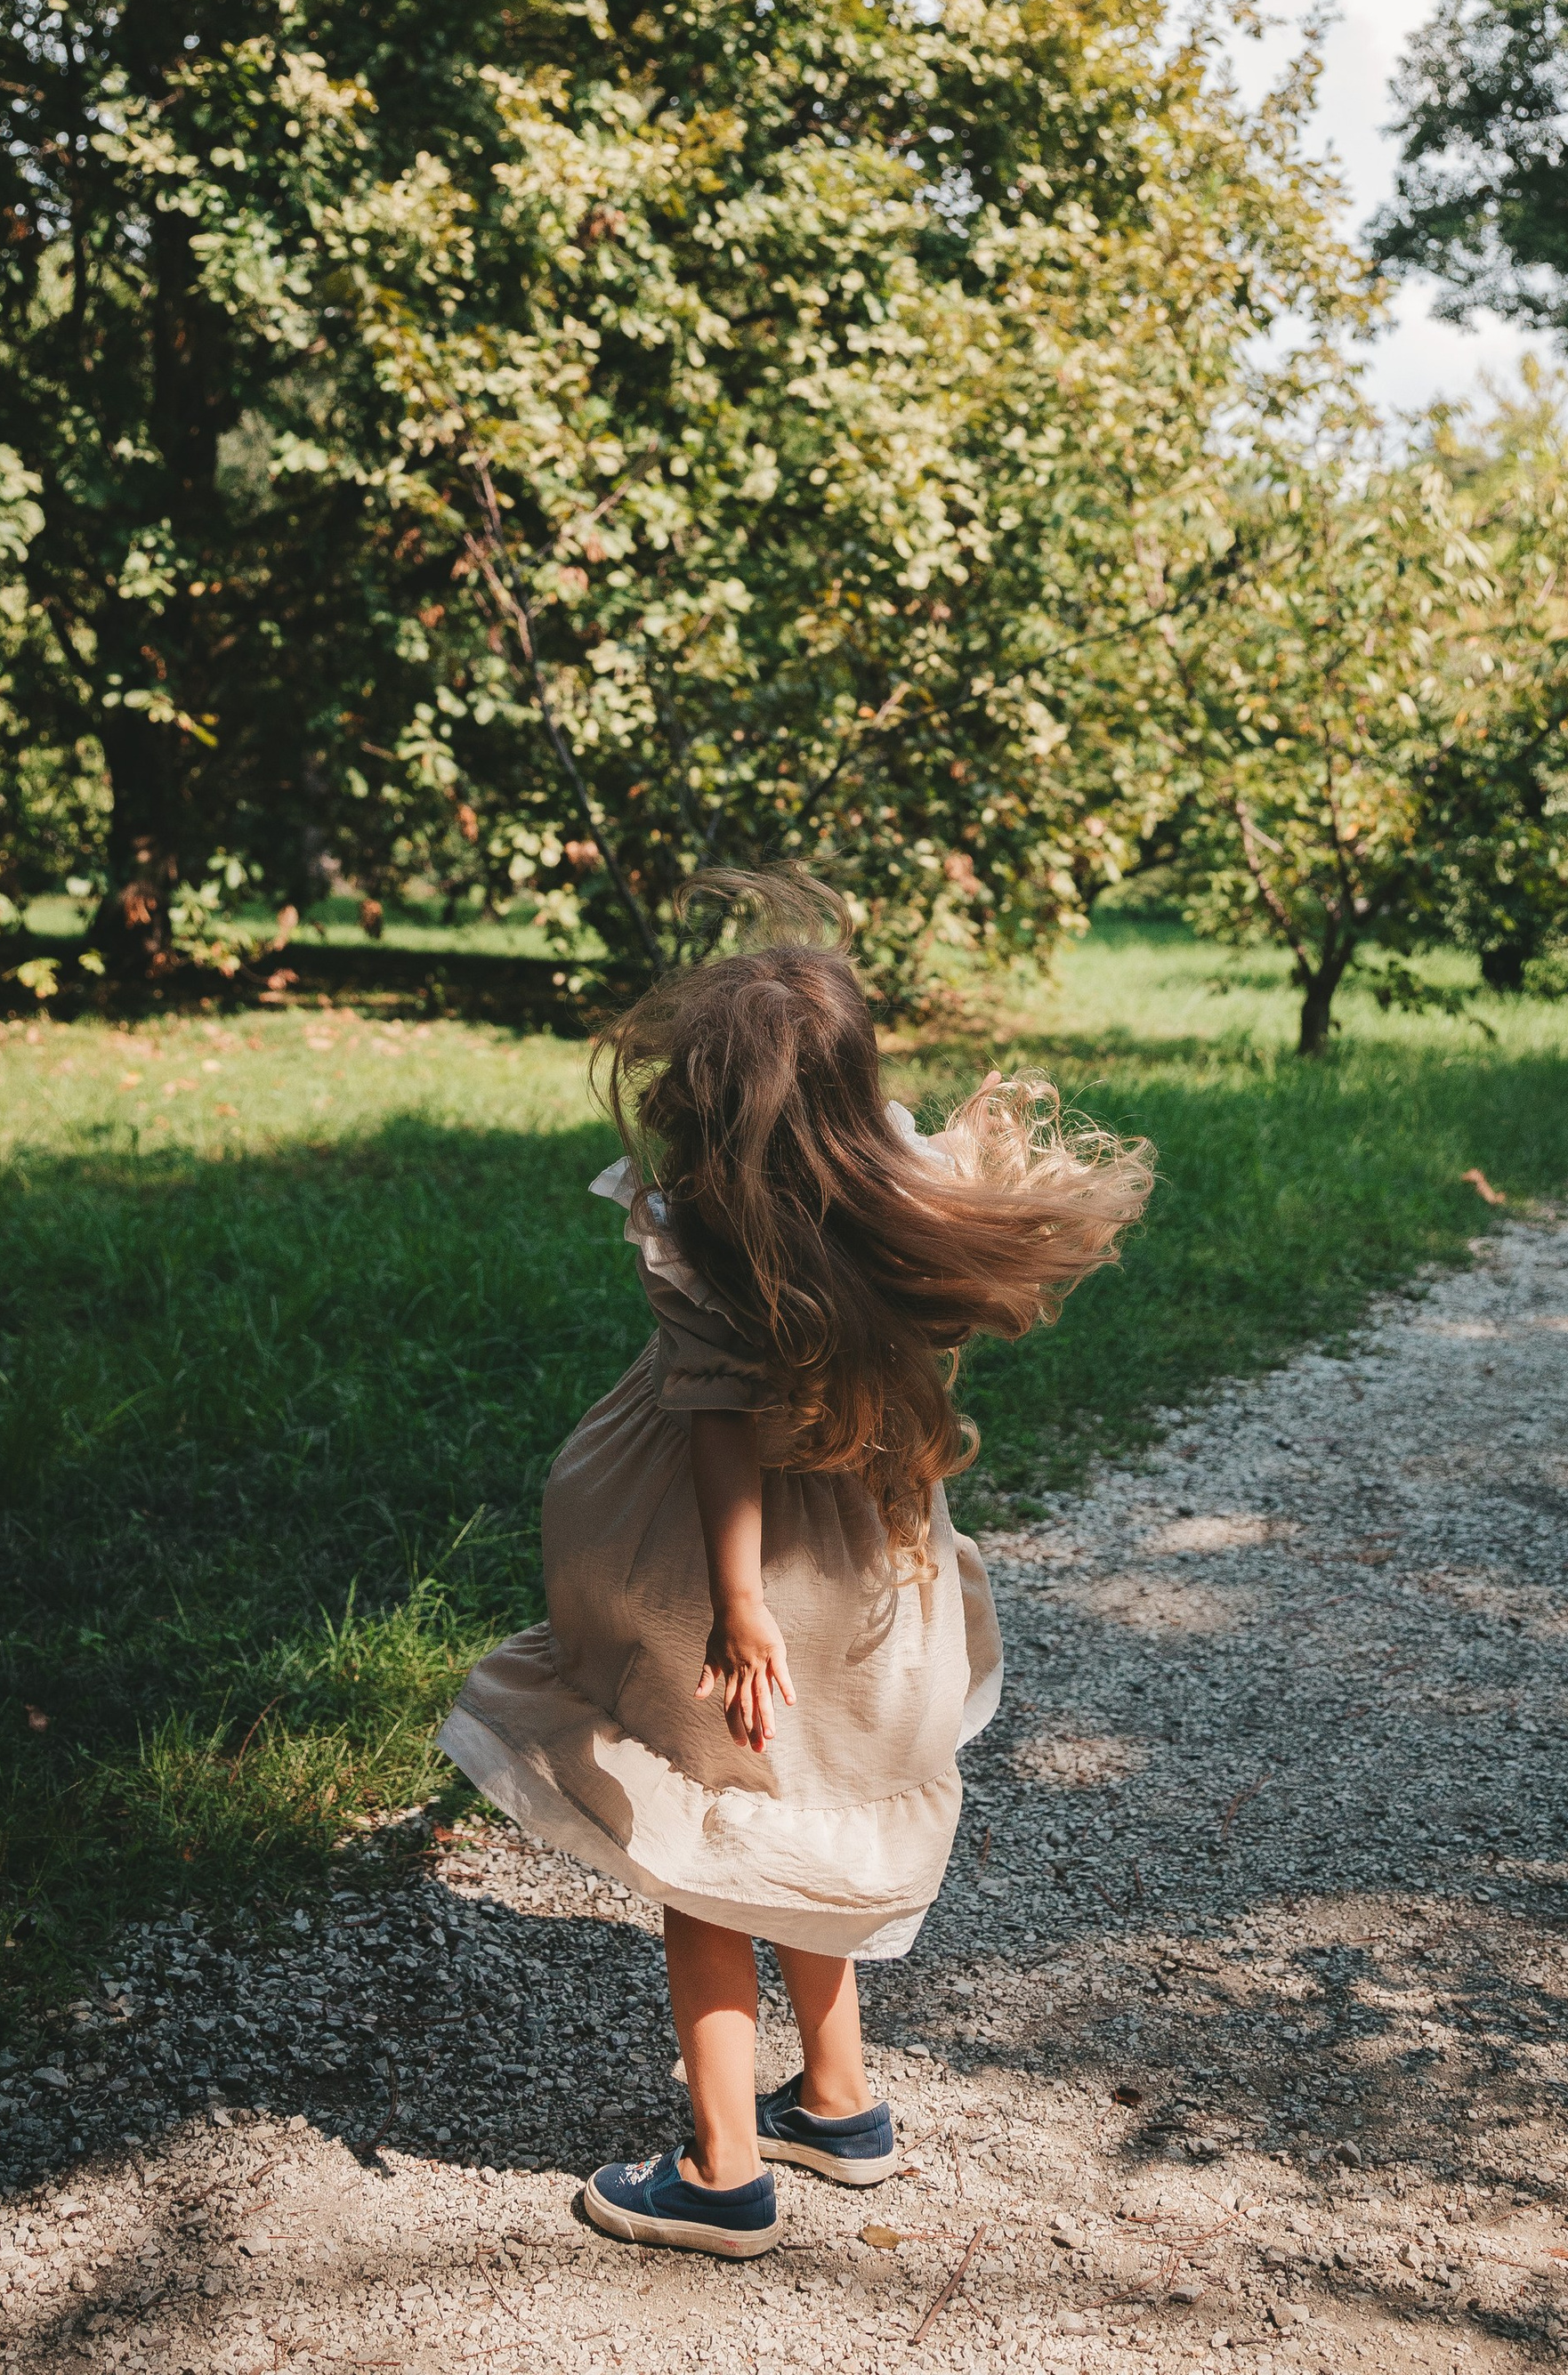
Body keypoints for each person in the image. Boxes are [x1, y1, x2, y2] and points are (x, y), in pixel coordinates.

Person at [438, 871, 1152, 2257]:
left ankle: (721, 2176)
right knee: (801, 1813)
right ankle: (837, 2104)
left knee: (707, 1849)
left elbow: (717, 1438)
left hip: (728, 1580)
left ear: (713, 1093)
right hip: (875, 1574)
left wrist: (740, 1610)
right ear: (845, 1083)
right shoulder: (904, 1185)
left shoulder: (703, 1220)